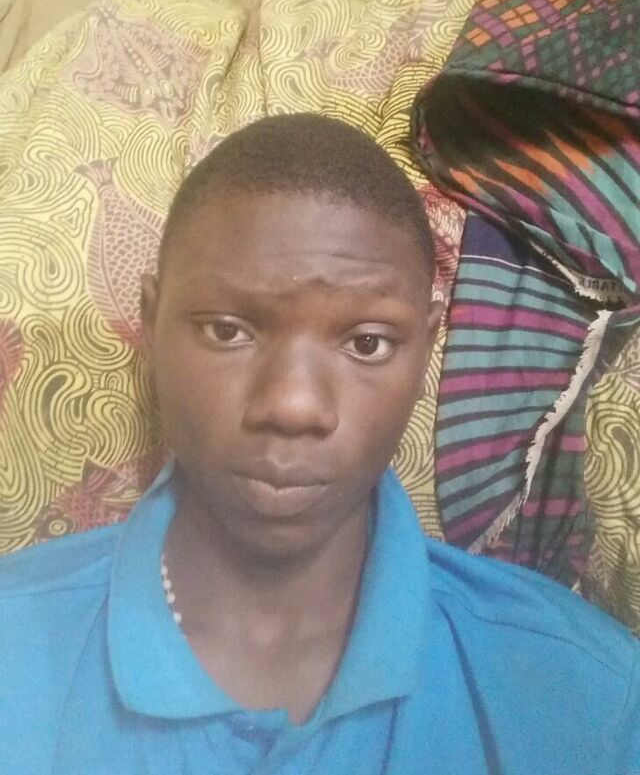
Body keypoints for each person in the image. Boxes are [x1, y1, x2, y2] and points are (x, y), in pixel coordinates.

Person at [0, 113, 638, 775]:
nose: (293, 405)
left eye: (367, 342)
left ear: (426, 348)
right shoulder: (15, 643)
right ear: (153, 322)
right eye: (227, 330)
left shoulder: (587, 694)